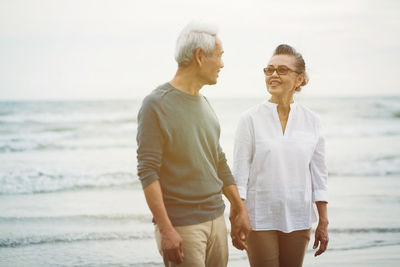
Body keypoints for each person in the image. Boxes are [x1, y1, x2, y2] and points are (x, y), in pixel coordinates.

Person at [136, 21, 251, 267]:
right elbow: (148, 171)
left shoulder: (205, 105)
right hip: (183, 226)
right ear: (200, 56)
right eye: (219, 56)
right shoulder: (155, 104)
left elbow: (218, 161)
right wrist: (166, 230)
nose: (222, 64)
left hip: (216, 220)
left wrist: (238, 207)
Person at [233, 44, 329, 267]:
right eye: (269, 69)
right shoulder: (249, 119)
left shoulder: (312, 121)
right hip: (259, 216)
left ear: (299, 80)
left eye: (282, 70)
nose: (274, 74)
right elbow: (239, 175)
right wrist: (237, 215)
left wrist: (323, 220)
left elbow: (319, 175)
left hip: (299, 215)